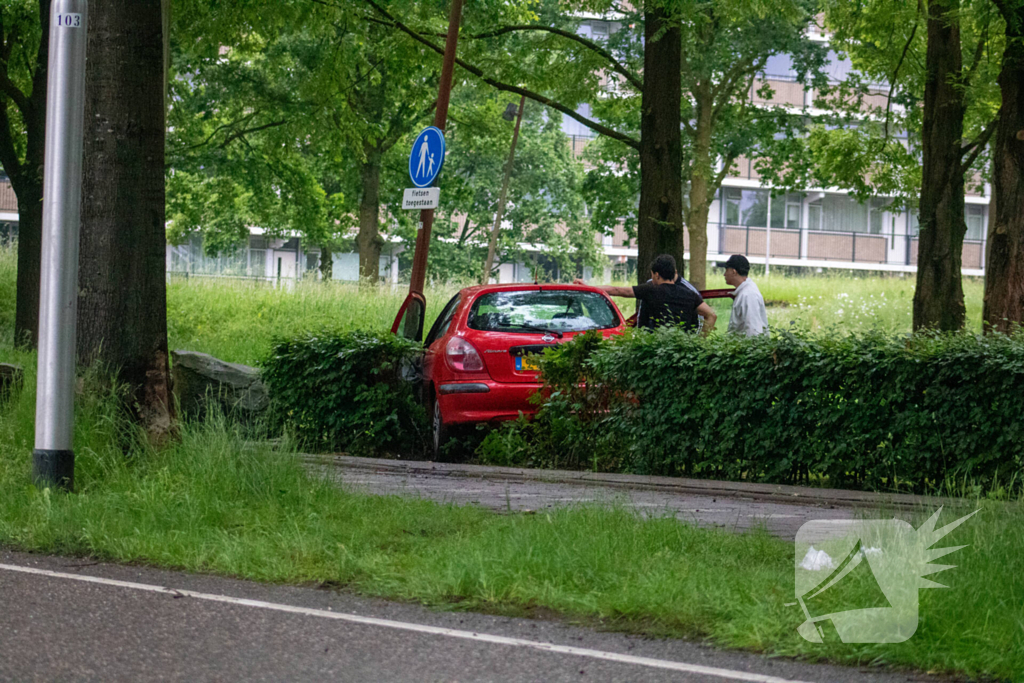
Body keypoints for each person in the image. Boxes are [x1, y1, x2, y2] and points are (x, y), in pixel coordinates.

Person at [575, 254, 717, 336]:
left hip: (656, 350)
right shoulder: (690, 294)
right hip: (681, 352)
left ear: (656, 275)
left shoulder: (650, 290)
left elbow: (618, 290)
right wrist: (699, 341)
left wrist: (587, 287)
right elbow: (712, 315)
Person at [719, 254, 769, 336]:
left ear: (733, 272)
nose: (724, 274)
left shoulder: (748, 295)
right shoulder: (744, 292)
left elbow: (753, 331)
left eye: (726, 270)